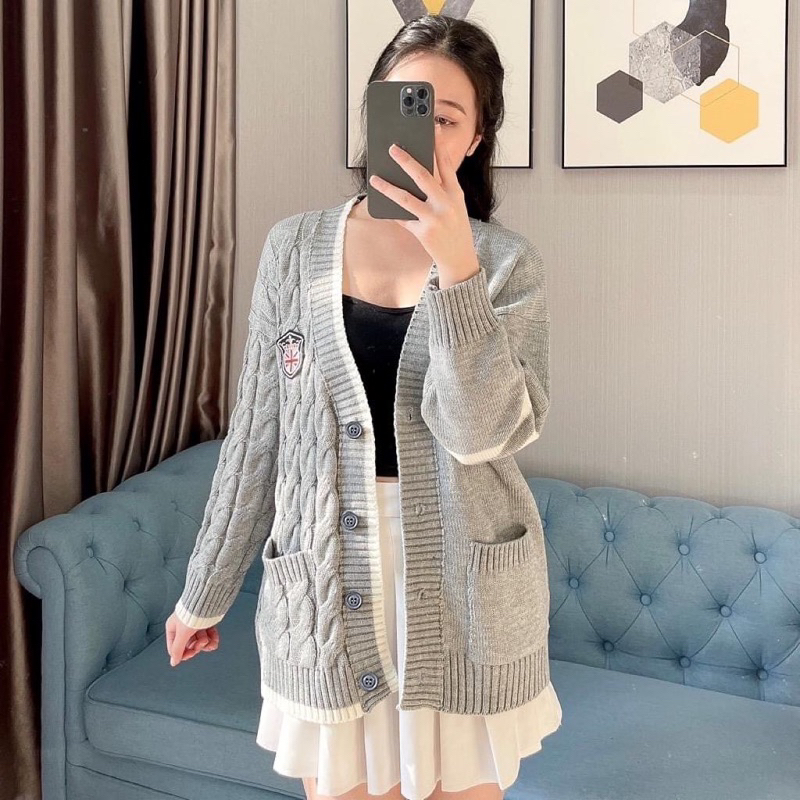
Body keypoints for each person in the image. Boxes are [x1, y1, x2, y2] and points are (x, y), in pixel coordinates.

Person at [166, 13, 561, 800]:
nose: (424, 131)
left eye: (446, 117)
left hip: (465, 599)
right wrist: (203, 591)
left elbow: (481, 435)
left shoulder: (505, 264)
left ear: (476, 138)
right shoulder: (293, 248)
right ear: (374, 110)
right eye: (405, 104)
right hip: (323, 588)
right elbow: (257, 440)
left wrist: (457, 270)